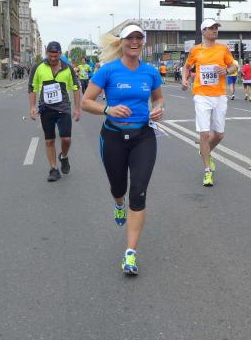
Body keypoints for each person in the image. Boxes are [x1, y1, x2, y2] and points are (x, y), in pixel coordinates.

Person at [82, 24, 164, 275]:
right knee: (118, 188)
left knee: (138, 191)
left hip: (143, 137)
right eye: (130, 38)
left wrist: (158, 108)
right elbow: (86, 102)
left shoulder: (150, 72)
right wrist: (108, 109)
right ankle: (119, 204)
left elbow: (158, 98)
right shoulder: (108, 70)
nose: (134, 42)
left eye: (139, 38)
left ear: (143, 42)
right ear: (122, 42)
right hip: (113, 137)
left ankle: (130, 253)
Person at [182, 18, 238, 187]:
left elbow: (234, 66)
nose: (215, 30)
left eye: (216, 27)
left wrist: (226, 70)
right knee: (204, 134)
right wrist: (184, 80)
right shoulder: (195, 50)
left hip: (219, 95)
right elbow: (187, 66)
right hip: (201, 95)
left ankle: (205, 151)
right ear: (203, 31)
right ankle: (207, 171)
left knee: (219, 134)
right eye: (211, 28)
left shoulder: (223, 49)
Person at [29, 41, 81, 182]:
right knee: (50, 140)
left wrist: (77, 108)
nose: (53, 58)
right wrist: (32, 106)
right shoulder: (38, 67)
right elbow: (32, 87)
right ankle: (53, 169)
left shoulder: (68, 68)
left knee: (66, 139)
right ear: (47, 53)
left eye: (56, 55)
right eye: (50, 55)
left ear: (60, 54)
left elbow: (76, 88)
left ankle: (64, 156)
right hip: (46, 109)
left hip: (63, 108)